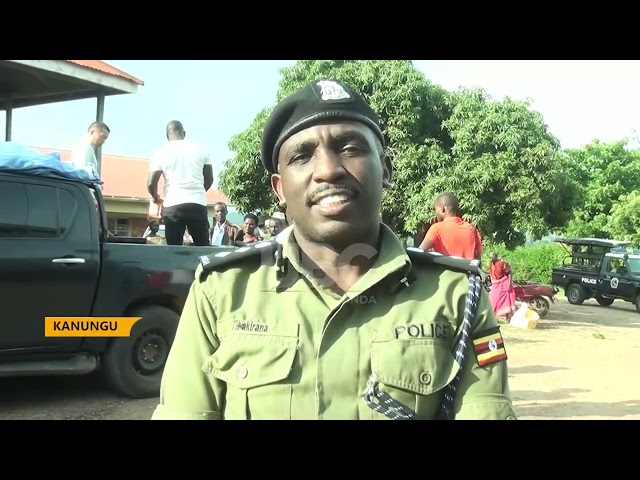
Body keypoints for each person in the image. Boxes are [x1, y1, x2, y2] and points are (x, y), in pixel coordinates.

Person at [151, 78, 516, 420]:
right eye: (301, 156)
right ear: (279, 189)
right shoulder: (222, 292)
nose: (327, 170)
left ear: (385, 170)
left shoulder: (455, 294)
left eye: (350, 148)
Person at [147, 120, 213, 246]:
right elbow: (209, 179)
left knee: (173, 248)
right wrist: (197, 191)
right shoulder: (202, 149)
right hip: (197, 204)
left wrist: (156, 197)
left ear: (167, 136)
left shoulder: (160, 152)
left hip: (173, 205)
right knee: (203, 247)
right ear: (184, 133)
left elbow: (151, 183)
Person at [418, 192, 483, 262]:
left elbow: (420, 252)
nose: (435, 213)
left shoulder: (436, 229)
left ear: (442, 208)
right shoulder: (471, 229)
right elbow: (478, 259)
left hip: (445, 272)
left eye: (435, 209)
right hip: (468, 272)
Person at [488, 252, 516, 321]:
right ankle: (492, 316)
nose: (491, 259)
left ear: (495, 258)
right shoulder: (491, 264)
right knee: (493, 299)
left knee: (506, 300)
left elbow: (509, 273)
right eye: (490, 258)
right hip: (495, 284)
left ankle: (508, 317)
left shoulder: (502, 263)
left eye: (492, 258)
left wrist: (509, 284)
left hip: (504, 283)